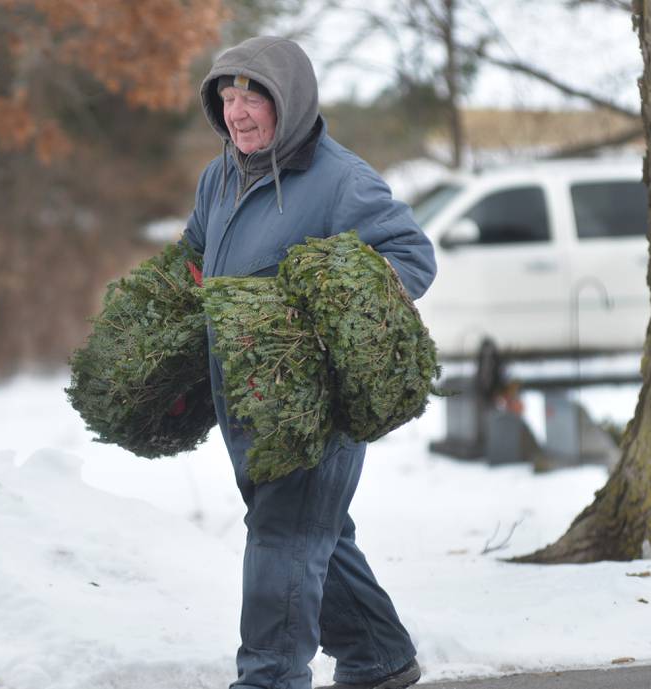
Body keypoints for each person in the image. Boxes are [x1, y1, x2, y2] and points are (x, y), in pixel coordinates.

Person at [183, 36, 436, 689]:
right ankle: (379, 653)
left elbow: (411, 256)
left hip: (313, 402)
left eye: (251, 98)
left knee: (284, 536)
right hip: (244, 402)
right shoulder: (221, 176)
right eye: (227, 99)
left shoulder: (339, 179)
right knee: (305, 528)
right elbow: (193, 254)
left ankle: (269, 675)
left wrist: (331, 314)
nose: (237, 113)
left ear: (287, 102)